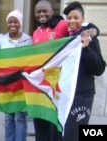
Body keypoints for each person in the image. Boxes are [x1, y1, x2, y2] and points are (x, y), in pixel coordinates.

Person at [62, 1, 106, 141]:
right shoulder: (66, 39)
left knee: (74, 136)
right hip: (67, 94)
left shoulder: (89, 38)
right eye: (69, 18)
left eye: (76, 18)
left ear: (83, 19)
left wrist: (86, 48)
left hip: (83, 95)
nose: (72, 21)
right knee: (66, 134)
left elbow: (99, 68)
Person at [32, 1, 68, 141]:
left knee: (54, 122)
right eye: (38, 12)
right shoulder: (35, 32)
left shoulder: (62, 25)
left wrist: (93, 29)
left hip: (56, 85)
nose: (42, 14)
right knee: (41, 120)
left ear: (52, 12)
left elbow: (81, 27)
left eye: (45, 11)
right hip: (41, 84)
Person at [0, 9, 32, 141]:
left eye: (15, 21)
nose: (12, 24)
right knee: (8, 116)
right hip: (6, 84)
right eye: (10, 22)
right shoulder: (1, 40)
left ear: (20, 23)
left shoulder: (29, 40)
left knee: (20, 117)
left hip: (21, 84)